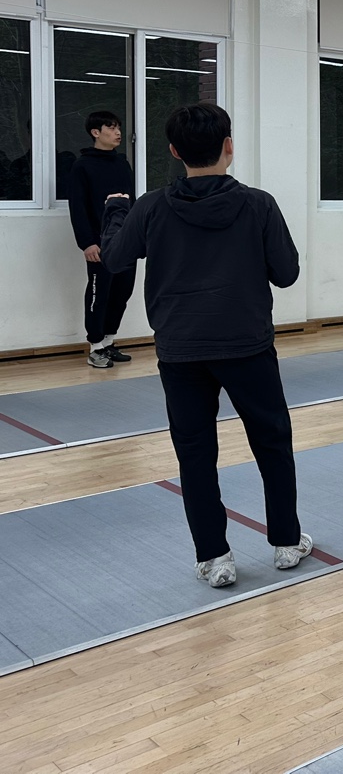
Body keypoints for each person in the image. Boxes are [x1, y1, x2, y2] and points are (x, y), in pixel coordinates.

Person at [101, 103, 311, 588]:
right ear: (229, 147)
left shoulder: (150, 206)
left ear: (174, 152)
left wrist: (115, 210)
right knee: (272, 443)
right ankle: (285, 543)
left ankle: (214, 558)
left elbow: (113, 259)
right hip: (247, 347)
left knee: (195, 453)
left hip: (181, 351)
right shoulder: (259, 204)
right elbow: (287, 274)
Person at [68, 110, 136, 368]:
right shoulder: (82, 166)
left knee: (122, 292)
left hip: (125, 241)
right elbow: (78, 207)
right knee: (100, 293)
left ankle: (108, 342)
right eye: (111, 127)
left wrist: (137, 236)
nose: (118, 132)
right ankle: (95, 346)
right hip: (99, 243)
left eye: (118, 127)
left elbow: (130, 203)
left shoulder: (122, 164)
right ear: (96, 132)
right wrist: (87, 242)